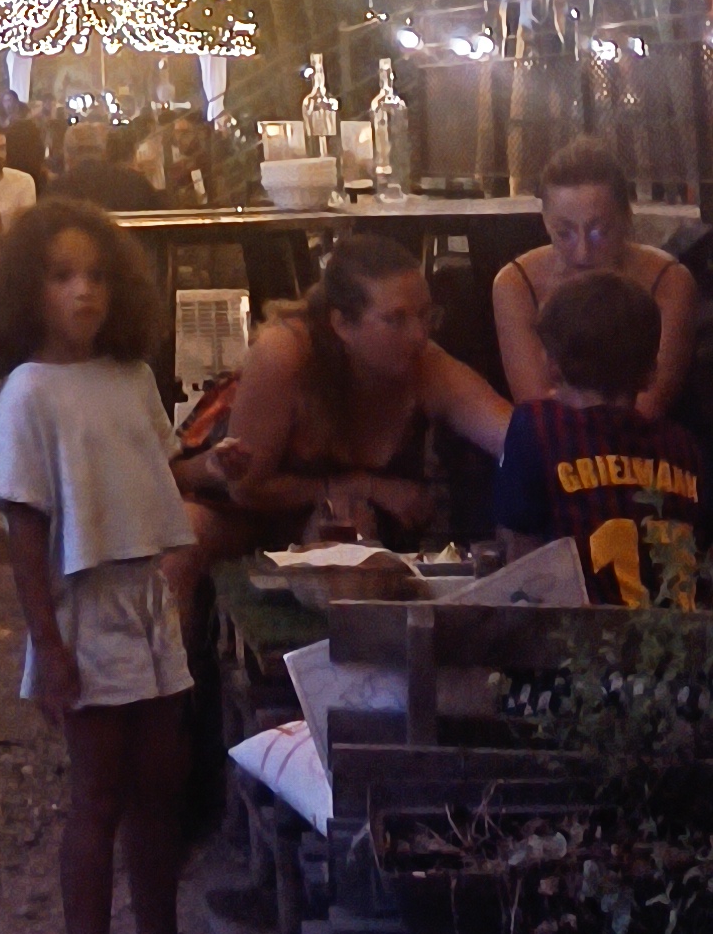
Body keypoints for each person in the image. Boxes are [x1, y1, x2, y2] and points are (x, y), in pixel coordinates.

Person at [0, 203, 252, 934]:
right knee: (98, 797)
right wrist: (49, 645)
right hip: (85, 609)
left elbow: (156, 468)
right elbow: (24, 527)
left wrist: (211, 467)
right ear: (29, 290)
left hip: (149, 601)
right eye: (62, 277)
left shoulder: (131, 376)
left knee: (160, 788)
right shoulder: (28, 393)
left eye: (97, 276)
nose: (83, 293)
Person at [181, 228, 510, 557]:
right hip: (238, 511)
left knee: (348, 523)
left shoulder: (425, 364)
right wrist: (363, 485)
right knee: (183, 539)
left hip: (337, 519)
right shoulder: (285, 353)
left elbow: (514, 436)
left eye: (425, 315)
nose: (419, 335)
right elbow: (246, 489)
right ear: (341, 324)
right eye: (396, 319)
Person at [495, 271, 706, 607]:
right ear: (651, 374)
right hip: (678, 637)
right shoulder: (684, 448)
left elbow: (519, 550)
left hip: (580, 637)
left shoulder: (539, 426)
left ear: (552, 367)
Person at [493, 137, 696, 428]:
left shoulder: (668, 281)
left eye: (599, 231)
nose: (583, 253)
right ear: (545, 222)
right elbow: (537, 409)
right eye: (564, 233)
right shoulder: (517, 284)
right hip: (554, 443)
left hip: (643, 444)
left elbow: (647, 408)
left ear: (626, 218)